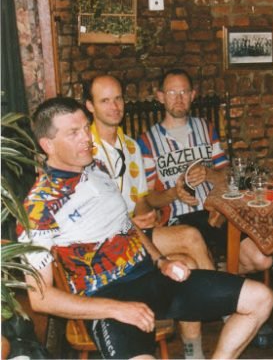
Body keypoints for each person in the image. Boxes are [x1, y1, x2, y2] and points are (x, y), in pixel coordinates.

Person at [19, 97, 273, 359]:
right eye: (74, 133)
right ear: (48, 145)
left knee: (261, 298)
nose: (87, 137)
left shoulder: (97, 168)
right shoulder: (38, 207)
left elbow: (126, 224)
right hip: (106, 301)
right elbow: (40, 299)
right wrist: (116, 309)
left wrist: (161, 261)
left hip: (150, 278)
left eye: (86, 127)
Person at [137, 68, 273, 347]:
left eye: (184, 92)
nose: (178, 98)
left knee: (261, 259)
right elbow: (149, 199)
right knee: (196, 253)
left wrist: (209, 174)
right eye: (172, 92)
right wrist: (173, 193)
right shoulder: (146, 142)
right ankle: (233, 313)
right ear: (160, 97)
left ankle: (222, 286)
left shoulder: (206, 129)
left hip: (215, 213)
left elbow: (228, 175)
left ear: (193, 95)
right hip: (179, 220)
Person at [84, 74, 215, 358]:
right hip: (109, 243)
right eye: (105, 101)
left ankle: (194, 353)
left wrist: (153, 211)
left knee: (188, 265)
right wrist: (133, 221)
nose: (114, 106)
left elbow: (141, 200)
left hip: (138, 235)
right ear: (90, 106)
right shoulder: (84, 151)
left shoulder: (131, 147)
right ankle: (227, 305)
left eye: (118, 98)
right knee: (190, 236)